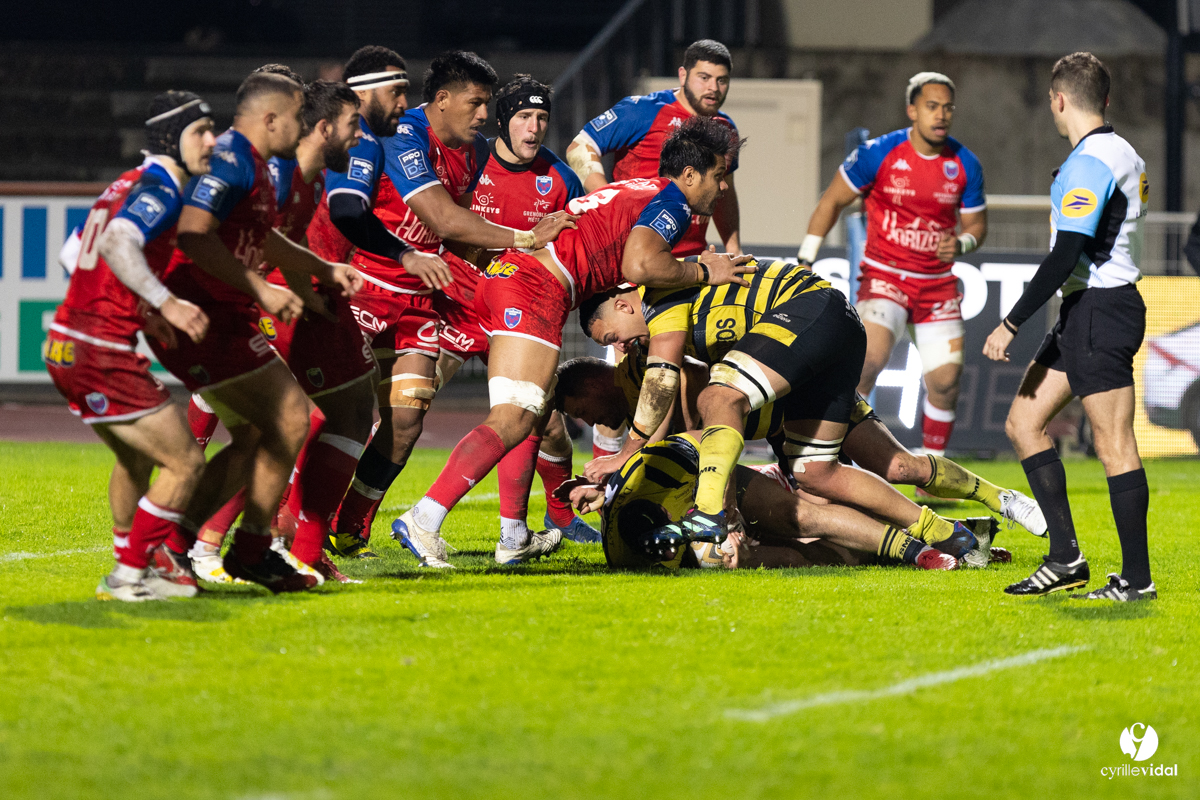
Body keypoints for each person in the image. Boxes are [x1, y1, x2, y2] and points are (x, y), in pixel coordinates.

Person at [393, 117, 754, 568]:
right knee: (515, 415)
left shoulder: (642, 189)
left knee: (530, 413)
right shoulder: (673, 202)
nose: (723, 188)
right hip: (537, 286)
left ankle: (512, 536)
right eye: (719, 176)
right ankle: (424, 518)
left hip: (515, 278)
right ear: (690, 174)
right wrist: (706, 271)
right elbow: (640, 264)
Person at [324, 50, 577, 557]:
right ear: (442, 100)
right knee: (334, 413)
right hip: (367, 286)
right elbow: (440, 219)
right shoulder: (402, 136)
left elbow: (453, 235)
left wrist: (491, 264)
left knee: (406, 422)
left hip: (422, 298)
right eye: (477, 103)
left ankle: (349, 528)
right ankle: (287, 520)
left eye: (488, 105)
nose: (486, 115)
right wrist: (523, 240)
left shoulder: (475, 151)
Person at [579, 258, 986, 562]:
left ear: (623, 305)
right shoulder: (660, 342)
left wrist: (628, 455)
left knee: (802, 505)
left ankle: (710, 514)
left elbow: (673, 407)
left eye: (613, 336)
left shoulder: (660, 333)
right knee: (816, 495)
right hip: (786, 387)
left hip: (798, 356)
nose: (619, 346)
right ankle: (954, 533)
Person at [150, 71, 361, 593]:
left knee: (264, 431)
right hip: (196, 312)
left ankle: (217, 548)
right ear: (271, 120)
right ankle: (190, 546)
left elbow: (263, 239)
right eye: (296, 117)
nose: (304, 125)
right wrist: (263, 290)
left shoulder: (266, 169)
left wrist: (321, 270)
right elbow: (195, 235)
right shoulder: (230, 159)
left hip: (225, 313)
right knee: (290, 418)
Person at [984, 52, 1155, 601]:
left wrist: (1011, 322)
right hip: (1087, 311)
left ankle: (1136, 580)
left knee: (1114, 445)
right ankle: (1065, 557)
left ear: (1059, 99)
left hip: (1100, 311)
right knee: (1022, 422)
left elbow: (1066, 253)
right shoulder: (1120, 150)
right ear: (1104, 99)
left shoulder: (1089, 162)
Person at [554, 354, 1047, 538]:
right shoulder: (642, 385)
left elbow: (703, 448)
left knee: (897, 465)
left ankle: (1001, 499)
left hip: (807, 401)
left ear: (592, 382)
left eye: (580, 409)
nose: (587, 420)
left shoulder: (656, 374)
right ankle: (953, 535)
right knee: (818, 510)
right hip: (781, 430)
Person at [45, 92, 215, 601]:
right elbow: (119, 241)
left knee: (136, 458)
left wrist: (133, 307)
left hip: (66, 345)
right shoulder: (161, 187)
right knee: (187, 463)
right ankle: (130, 574)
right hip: (101, 351)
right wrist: (165, 303)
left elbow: (71, 255)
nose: (211, 140)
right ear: (171, 138)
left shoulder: (124, 183)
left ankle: (134, 559)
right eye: (200, 131)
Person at [435, 73, 600, 547]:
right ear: (503, 120)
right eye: (524, 117)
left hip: (518, 314)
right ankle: (348, 516)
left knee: (548, 426)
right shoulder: (469, 160)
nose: (534, 128)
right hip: (461, 303)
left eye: (542, 118)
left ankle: (558, 515)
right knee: (408, 408)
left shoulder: (559, 179)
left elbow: (579, 246)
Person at [798, 72, 987, 457]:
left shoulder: (965, 163)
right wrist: (805, 257)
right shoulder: (878, 153)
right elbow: (831, 201)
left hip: (936, 286)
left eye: (948, 107)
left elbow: (977, 225)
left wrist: (963, 243)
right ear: (912, 110)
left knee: (947, 383)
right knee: (868, 362)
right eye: (932, 106)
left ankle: (933, 473)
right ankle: (839, 459)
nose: (941, 115)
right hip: (886, 277)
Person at [558, 433, 963, 572]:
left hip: (718, 482)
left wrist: (726, 507)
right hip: (697, 522)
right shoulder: (623, 554)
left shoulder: (659, 469)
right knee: (769, 559)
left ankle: (919, 550)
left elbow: (713, 440)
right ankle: (880, 555)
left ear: (665, 508)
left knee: (799, 516)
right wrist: (728, 552)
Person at [565, 39, 741, 258]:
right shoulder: (644, 110)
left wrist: (733, 248)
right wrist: (608, 201)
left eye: (721, 80)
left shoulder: (726, 128)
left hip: (691, 258)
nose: (713, 88)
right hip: (635, 254)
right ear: (683, 75)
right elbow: (580, 146)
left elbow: (726, 192)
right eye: (704, 78)